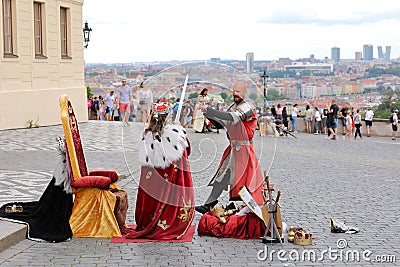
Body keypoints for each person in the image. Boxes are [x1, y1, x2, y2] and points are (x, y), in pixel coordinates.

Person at [125, 102, 194, 240]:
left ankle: (147, 222)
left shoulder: (146, 134)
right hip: (169, 181)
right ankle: (166, 223)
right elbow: (187, 150)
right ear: (167, 116)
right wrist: (178, 128)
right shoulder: (176, 134)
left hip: (152, 182)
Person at [195, 81, 264, 214]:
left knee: (246, 181)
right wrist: (209, 116)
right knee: (222, 177)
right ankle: (209, 204)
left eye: (238, 91)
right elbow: (223, 124)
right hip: (233, 149)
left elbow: (233, 118)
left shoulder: (248, 106)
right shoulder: (234, 106)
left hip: (244, 150)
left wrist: (211, 111)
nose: (235, 93)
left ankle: (251, 210)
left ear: (244, 92)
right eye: (234, 91)